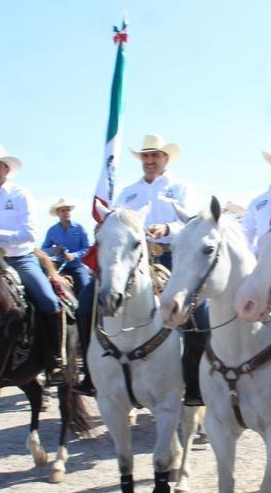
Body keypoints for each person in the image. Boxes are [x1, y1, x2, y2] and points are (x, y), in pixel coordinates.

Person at [76, 134, 205, 405]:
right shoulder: (128, 192)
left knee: (198, 317)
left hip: (172, 258)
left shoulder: (181, 188)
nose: (149, 160)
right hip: (131, 263)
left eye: (155, 155)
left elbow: (193, 223)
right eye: (145, 156)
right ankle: (91, 376)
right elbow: (114, 222)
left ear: (165, 159)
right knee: (86, 304)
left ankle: (194, 385)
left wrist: (167, 228)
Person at [0, 143, 65, 385]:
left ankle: (55, 360)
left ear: (6, 169)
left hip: (19, 258)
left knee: (49, 301)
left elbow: (30, 234)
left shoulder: (20, 195)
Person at [42, 197, 92, 298]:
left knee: (84, 289)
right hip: (60, 266)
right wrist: (54, 250)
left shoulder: (79, 228)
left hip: (77, 267)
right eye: (63, 210)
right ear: (57, 213)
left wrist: (74, 255)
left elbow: (87, 248)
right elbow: (43, 250)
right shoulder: (52, 230)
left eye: (68, 210)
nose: (66, 212)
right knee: (48, 286)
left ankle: (86, 312)